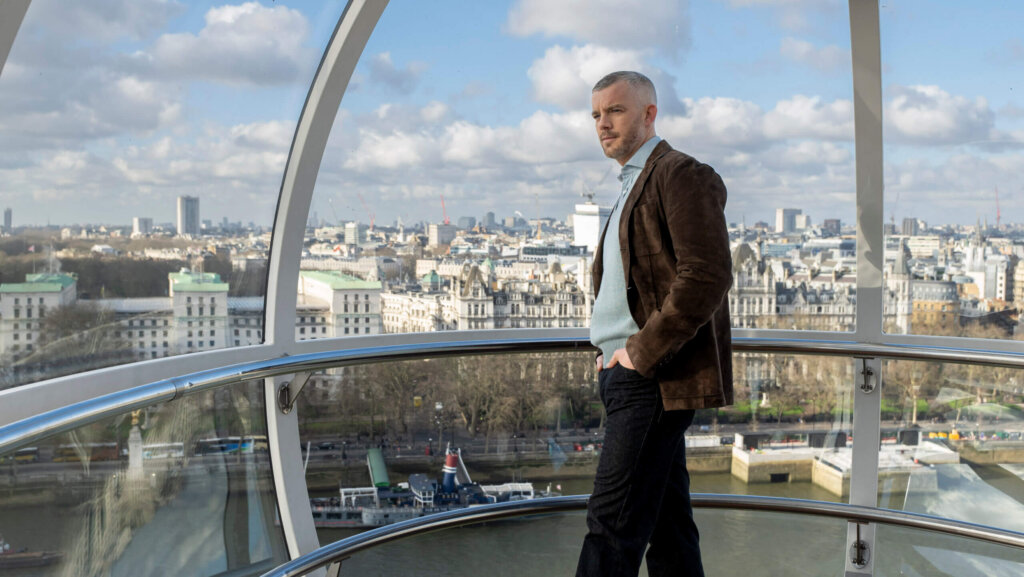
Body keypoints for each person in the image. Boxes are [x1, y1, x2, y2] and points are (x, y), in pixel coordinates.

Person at [576, 71, 733, 577]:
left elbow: (707, 275)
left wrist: (638, 354)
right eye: (597, 114)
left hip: (651, 379)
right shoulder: (631, 184)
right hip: (627, 374)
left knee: (610, 530)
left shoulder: (680, 173)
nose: (603, 123)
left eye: (615, 111)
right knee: (669, 532)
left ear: (649, 114)